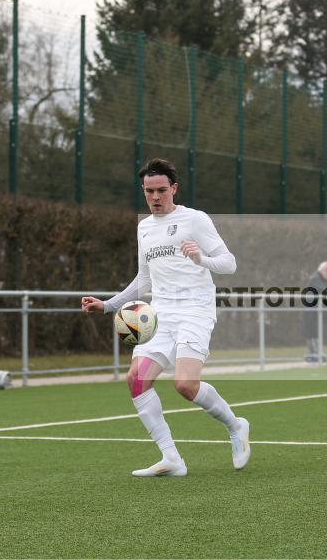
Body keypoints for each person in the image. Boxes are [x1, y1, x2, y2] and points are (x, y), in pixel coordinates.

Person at [81, 157, 250, 477]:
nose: (155, 197)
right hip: (160, 314)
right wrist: (108, 305)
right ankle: (171, 458)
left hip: (196, 310)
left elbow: (229, 263)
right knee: (136, 379)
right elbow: (144, 279)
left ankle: (236, 425)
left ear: (174, 188)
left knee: (185, 385)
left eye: (161, 190)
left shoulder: (195, 219)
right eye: (149, 191)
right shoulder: (143, 227)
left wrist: (201, 259)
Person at [302, 261, 327, 363]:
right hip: (311, 313)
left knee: (318, 334)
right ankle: (316, 355)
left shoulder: (326, 281)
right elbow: (322, 289)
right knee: (312, 334)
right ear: (321, 269)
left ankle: (312, 355)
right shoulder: (315, 278)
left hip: (319, 312)